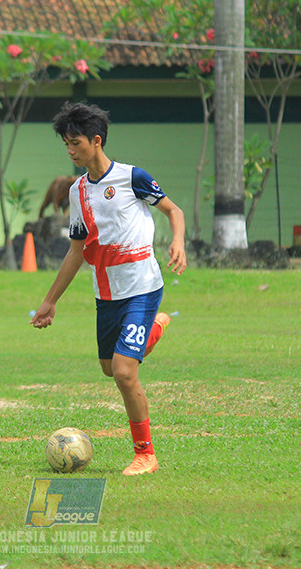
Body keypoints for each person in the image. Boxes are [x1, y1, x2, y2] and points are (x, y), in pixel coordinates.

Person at [31, 102, 187, 476]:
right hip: (106, 293)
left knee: (123, 372)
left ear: (96, 141)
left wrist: (178, 242)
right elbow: (76, 252)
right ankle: (153, 331)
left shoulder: (133, 178)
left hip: (143, 287)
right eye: (66, 144)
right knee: (108, 368)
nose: (70, 151)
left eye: (76, 143)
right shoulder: (78, 192)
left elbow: (173, 211)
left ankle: (145, 455)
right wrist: (50, 301)